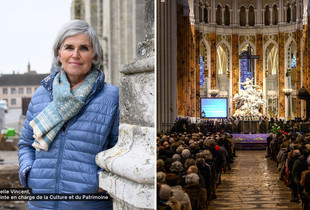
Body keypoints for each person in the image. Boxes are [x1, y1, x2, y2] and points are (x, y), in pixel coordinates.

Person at [18, 20, 119, 209]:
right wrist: (29, 172)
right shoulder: (41, 95)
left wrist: (98, 181)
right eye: (69, 47)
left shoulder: (112, 97)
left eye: (84, 48)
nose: (75, 55)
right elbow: (25, 143)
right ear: (59, 53)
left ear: (94, 55)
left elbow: (118, 148)